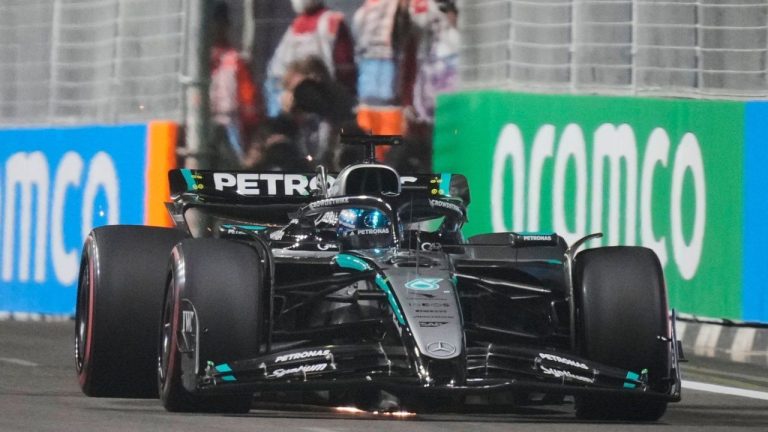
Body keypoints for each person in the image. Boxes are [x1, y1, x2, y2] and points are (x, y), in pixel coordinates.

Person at [264, 0, 356, 118]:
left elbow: (345, 71)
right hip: (293, 108)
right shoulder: (294, 27)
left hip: (322, 104)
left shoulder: (333, 22)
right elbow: (276, 74)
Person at [209, 1, 263, 164]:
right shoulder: (196, 62)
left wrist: (251, 136)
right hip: (201, 124)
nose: (215, 28)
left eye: (220, 23)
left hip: (229, 125)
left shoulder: (234, 60)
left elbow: (249, 105)